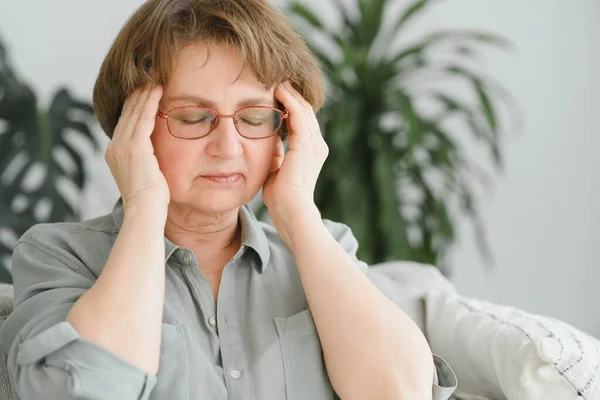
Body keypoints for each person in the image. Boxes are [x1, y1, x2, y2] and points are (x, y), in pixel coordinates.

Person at [0, 0, 457, 399]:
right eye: (194, 116)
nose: (228, 146)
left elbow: (400, 392)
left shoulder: (323, 249)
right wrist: (143, 206)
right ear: (131, 128)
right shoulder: (60, 255)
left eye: (255, 117)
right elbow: (85, 391)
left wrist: (299, 212)